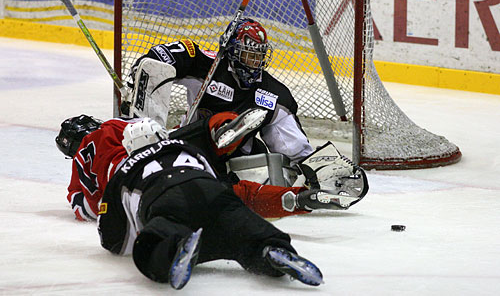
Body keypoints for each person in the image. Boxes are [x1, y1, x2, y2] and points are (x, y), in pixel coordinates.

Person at [56, 113, 363, 288]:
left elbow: (98, 221)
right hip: (199, 175)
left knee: (157, 236)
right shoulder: (123, 128)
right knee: (237, 211)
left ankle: (174, 244)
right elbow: (217, 180)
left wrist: (115, 222)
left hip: (157, 194)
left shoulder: (108, 164)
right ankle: (274, 244)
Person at [123, 18, 314, 165]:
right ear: (231, 51)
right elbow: (165, 57)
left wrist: (307, 165)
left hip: (237, 159)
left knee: (260, 161)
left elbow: (294, 147)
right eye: (248, 55)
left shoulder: (274, 94)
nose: (254, 63)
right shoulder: (208, 66)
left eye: (259, 56)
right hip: (192, 145)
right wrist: (142, 74)